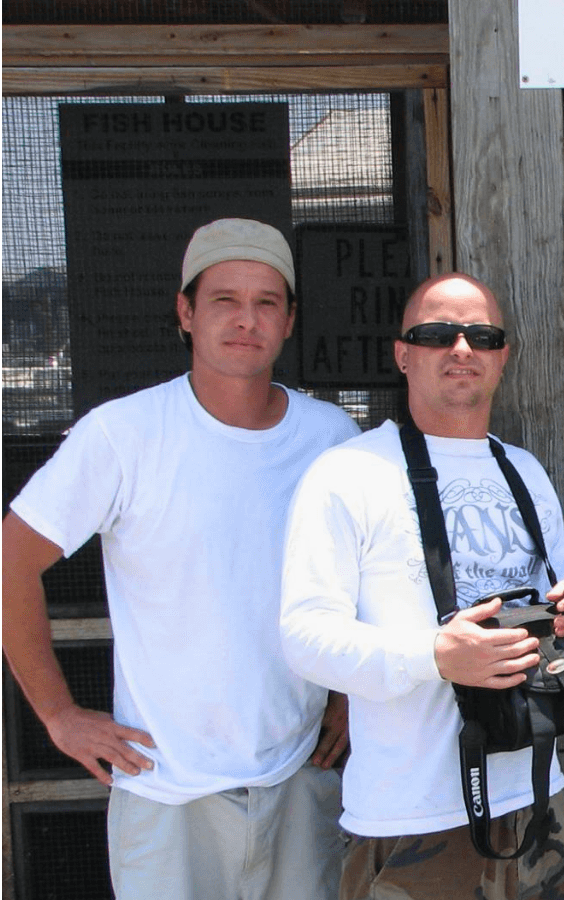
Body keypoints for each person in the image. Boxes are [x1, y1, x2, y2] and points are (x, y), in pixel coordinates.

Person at [1, 218, 361, 899]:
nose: (245, 320)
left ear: (288, 321)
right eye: (224, 299)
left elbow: (356, 582)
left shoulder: (330, 436)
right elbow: (10, 563)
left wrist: (346, 695)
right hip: (167, 790)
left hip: (297, 777)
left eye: (266, 302)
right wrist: (58, 714)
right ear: (186, 312)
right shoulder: (123, 434)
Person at [279, 272, 564, 900]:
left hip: (544, 802)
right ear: (402, 354)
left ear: (503, 356)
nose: (462, 350)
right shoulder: (348, 474)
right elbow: (303, 638)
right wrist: (436, 657)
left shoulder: (524, 470)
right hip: (413, 821)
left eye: (481, 336)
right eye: (437, 334)